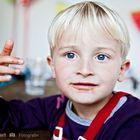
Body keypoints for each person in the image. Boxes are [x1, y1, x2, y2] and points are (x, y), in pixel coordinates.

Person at [0, 1, 140, 139]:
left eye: (101, 57)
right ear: (52, 66)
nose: (85, 70)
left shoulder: (132, 122)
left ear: (122, 69)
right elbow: (8, 119)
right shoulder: (55, 107)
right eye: (70, 55)